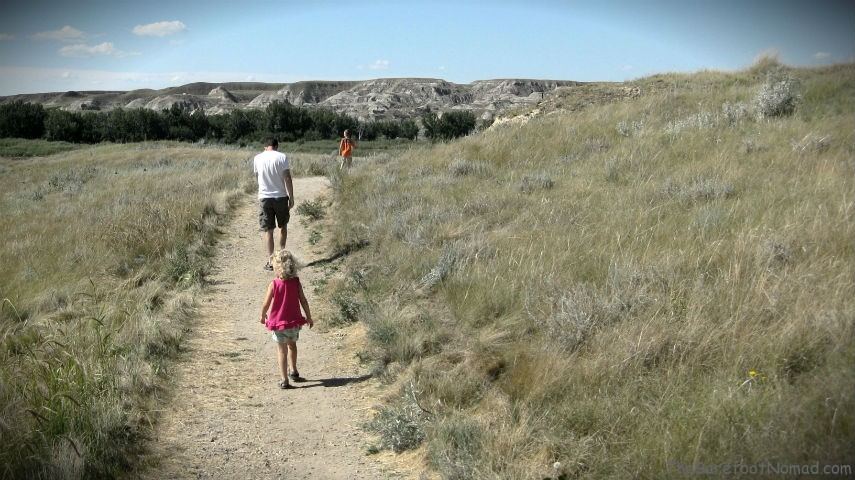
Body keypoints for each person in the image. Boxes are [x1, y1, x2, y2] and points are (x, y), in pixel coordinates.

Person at [260, 249, 314, 389]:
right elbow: (303, 300)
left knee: (281, 350)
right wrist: (308, 316)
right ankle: (294, 371)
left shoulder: (274, 284)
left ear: (277, 267)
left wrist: (262, 315)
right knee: (292, 345)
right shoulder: (296, 282)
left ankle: (284, 379)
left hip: (278, 324)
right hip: (294, 322)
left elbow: (266, 303)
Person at [253, 138, 294, 271]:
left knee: (268, 230)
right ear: (276, 146)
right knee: (283, 226)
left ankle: (271, 261)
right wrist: (291, 196)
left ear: (265, 146)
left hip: (265, 197)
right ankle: (282, 257)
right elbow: (287, 177)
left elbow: (257, 177)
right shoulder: (282, 157)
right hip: (281, 196)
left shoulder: (257, 158)